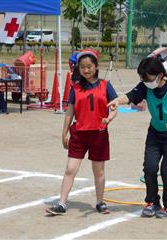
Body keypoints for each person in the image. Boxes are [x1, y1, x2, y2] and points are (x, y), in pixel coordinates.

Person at [108, 57, 167, 219]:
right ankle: (153, 202)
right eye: (142, 78)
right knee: (149, 167)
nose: (145, 81)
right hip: (155, 133)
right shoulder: (145, 87)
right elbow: (131, 96)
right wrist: (117, 101)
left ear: (160, 75)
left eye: (148, 77)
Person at [46, 49, 118, 216]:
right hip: (79, 134)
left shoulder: (106, 85)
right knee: (70, 169)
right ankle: (62, 203)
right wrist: (64, 133)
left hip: (99, 134)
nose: (86, 70)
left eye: (89, 66)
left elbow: (114, 107)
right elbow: (69, 113)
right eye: (83, 67)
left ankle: (100, 202)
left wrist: (109, 118)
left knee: (98, 170)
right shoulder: (76, 88)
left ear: (96, 66)